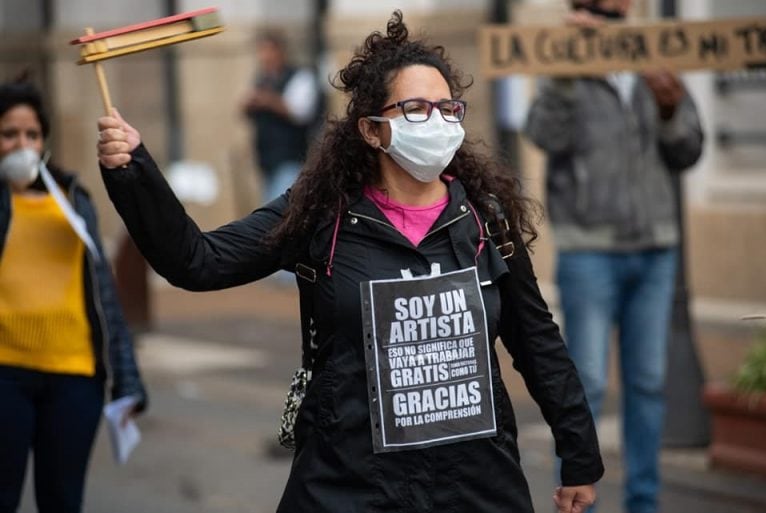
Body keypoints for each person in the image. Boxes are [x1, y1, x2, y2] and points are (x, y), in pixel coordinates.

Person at [97, 11, 603, 513]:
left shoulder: (484, 220)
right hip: (352, 482)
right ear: (371, 129)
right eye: (415, 108)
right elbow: (196, 261)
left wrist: (579, 452)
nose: (438, 121)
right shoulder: (320, 217)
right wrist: (134, 172)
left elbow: (537, 340)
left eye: (448, 108)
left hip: (472, 484)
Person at [525, 1, 704, 512]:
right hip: (590, 251)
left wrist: (669, 109)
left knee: (647, 382)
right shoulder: (564, 60)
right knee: (588, 383)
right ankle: (578, 504)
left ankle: (643, 502)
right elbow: (544, 134)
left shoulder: (657, 51)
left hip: (655, 248)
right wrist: (565, 71)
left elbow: (688, 149)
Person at [0, 79, 148, 513]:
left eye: (32, 135)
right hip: (6, 375)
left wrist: (128, 381)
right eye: (9, 134)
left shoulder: (74, 200)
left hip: (74, 378)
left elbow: (104, 294)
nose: (21, 145)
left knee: (63, 501)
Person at [241, 29, 322, 203]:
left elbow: (300, 111)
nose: (264, 57)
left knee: (278, 210)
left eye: (268, 51)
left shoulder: (300, 77)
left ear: (280, 51)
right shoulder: (262, 79)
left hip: (290, 158)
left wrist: (268, 100)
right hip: (266, 161)